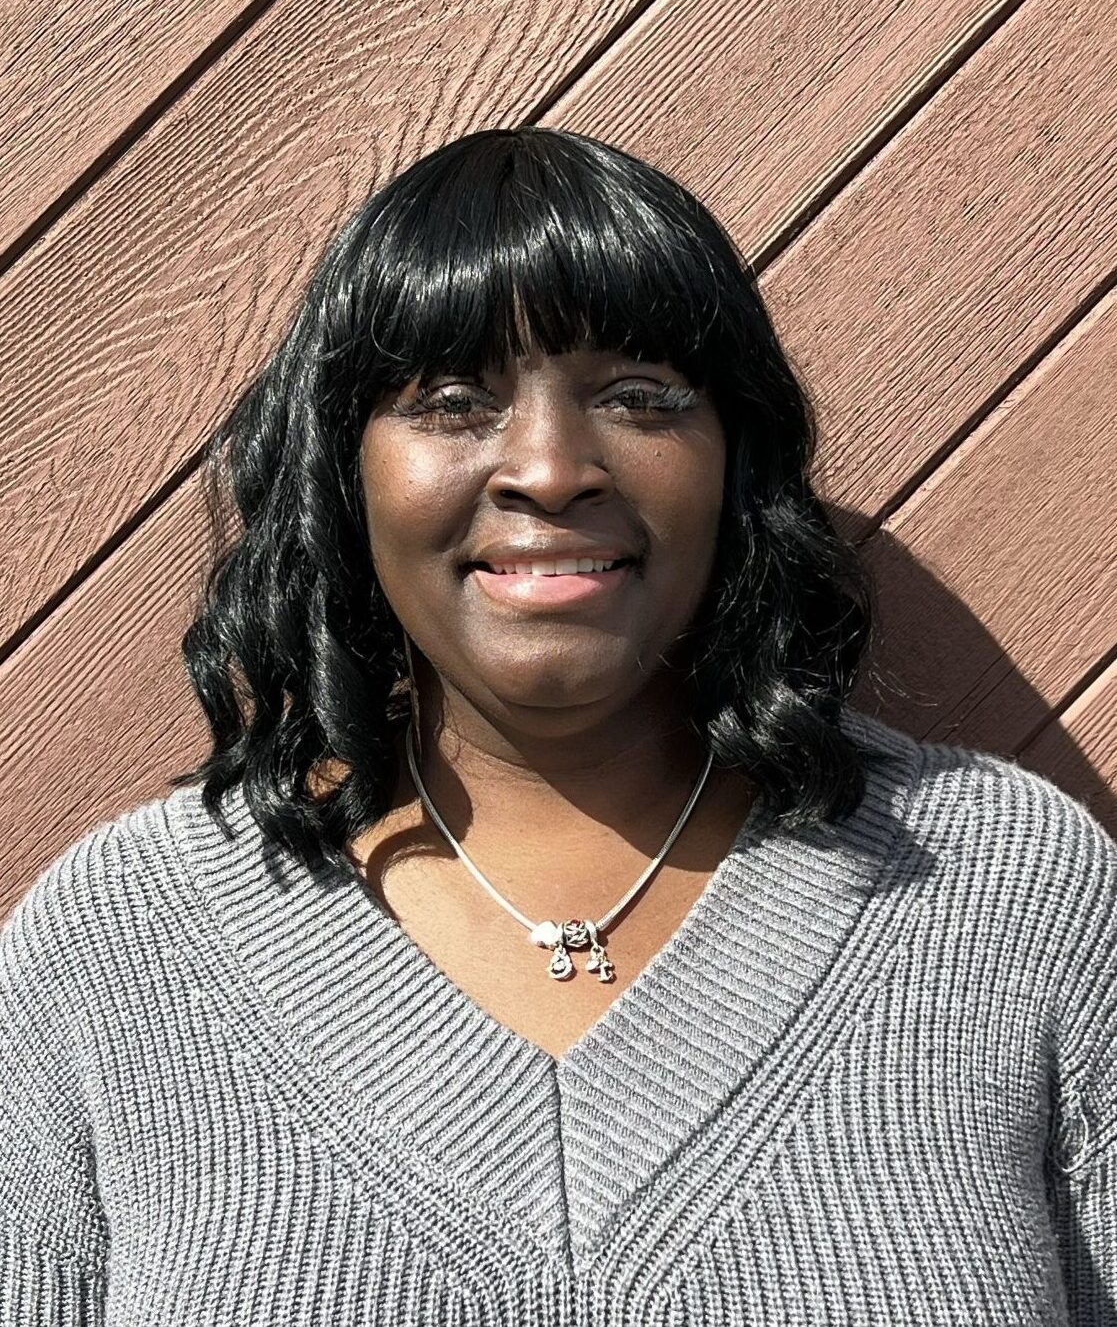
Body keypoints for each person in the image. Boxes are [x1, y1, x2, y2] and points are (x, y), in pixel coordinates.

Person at [0, 125, 1113, 1326]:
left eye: (639, 396)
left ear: (735, 461)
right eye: (451, 399)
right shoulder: (114, 955)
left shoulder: (1009, 894)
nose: (547, 466)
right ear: (341, 471)